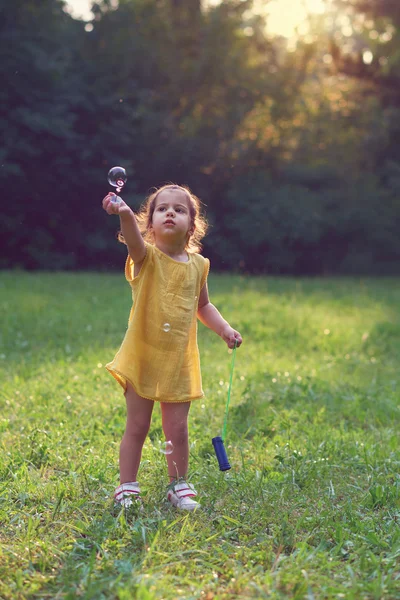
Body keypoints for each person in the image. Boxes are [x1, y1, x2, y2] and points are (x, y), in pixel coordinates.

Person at [102, 183, 242, 511]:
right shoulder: (145, 257)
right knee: (136, 425)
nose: (170, 213)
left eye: (179, 210)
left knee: (177, 430)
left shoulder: (199, 266)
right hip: (143, 355)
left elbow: (203, 306)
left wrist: (224, 329)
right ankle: (127, 486)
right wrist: (123, 213)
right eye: (162, 208)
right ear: (149, 223)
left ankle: (178, 485)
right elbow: (133, 241)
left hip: (178, 360)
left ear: (192, 225)